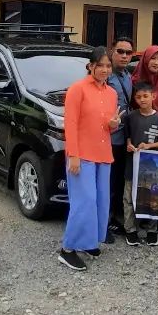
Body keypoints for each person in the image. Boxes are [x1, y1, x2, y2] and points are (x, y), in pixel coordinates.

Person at [58, 47, 122, 272]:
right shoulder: (77, 89)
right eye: (100, 65)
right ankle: (67, 249)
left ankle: (89, 242)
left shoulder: (112, 93)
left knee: (101, 201)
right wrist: (73, 154)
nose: (104, 69)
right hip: (82, 154)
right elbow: (71, 124)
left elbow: (106, 125)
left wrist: (113, 125)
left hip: (103, 153)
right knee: (84, 201)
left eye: (108, 66)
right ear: (90, 66)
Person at [122, 81, 158, 247]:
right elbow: (127, 137)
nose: (142, 99)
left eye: (145, 96)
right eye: (138, 97)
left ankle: (151, 230)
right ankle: (130, 230)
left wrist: (149, 146)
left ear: (153, 96)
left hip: (151, 167)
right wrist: (129, 144)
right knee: (128, 198)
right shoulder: (130, 117)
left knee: (151, 198)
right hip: (132, 165)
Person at [105, 36, 134, 239]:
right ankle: (103, 223)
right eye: (120, 51)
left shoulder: (127, 76)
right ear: (111, 51)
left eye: (128, 53)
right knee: (107, 182)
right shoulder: (105, 76)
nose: (124, 56)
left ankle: (114, 218)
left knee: (117, 182)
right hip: (108, 138)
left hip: (125, 138)